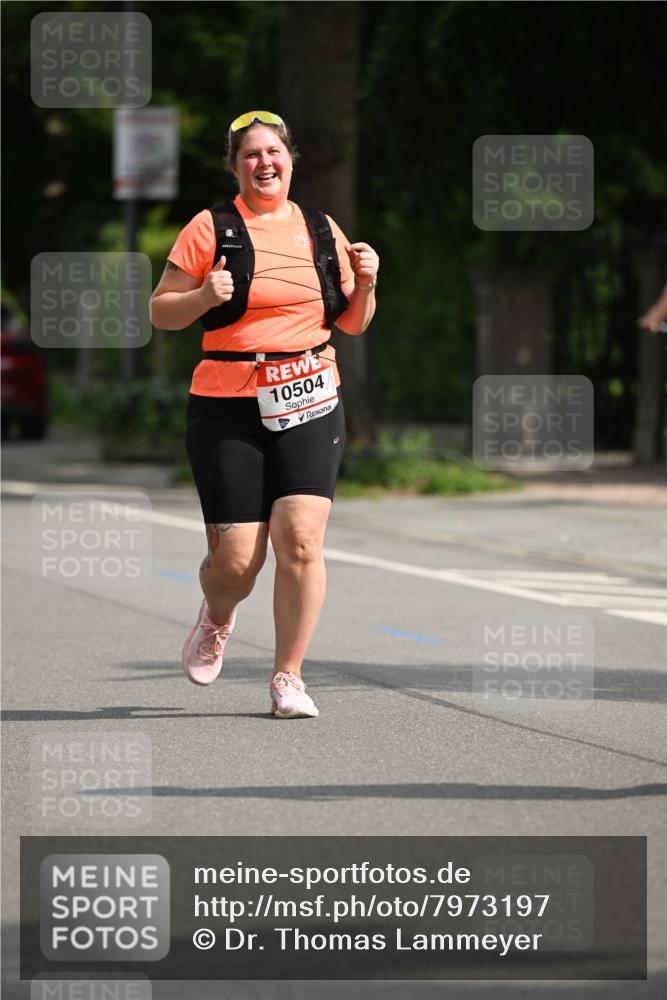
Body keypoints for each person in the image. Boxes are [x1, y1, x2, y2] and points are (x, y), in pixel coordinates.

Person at [149, 110, 379, 719]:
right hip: (227, 405)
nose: (264, 163)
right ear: (235, 167)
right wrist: (203, 296)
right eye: (250, 154)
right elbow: (161, 311)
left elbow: (352, 322)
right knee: (237, 563)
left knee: (300, 541)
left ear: (290, 160)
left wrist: (367, 284)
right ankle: (217, 614)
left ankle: (288, 677)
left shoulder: (321, 229)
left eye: (273, 152)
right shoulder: (210, 228)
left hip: (310, 396)